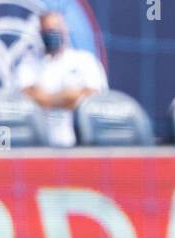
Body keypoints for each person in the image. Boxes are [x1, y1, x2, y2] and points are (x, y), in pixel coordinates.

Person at [17, 11, 107, 147]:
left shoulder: (85, 60)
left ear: (65, 30)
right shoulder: (29, 63)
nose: (51, 34)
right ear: (40, 33)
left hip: (81, 144)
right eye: (47, 30)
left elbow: (94, 96)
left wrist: (47, 98)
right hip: (39, 145)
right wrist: (69, 96)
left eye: (55, 29)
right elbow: (25, 96)